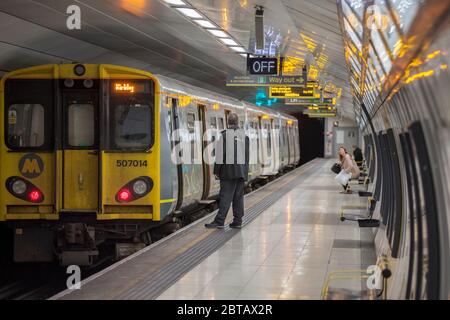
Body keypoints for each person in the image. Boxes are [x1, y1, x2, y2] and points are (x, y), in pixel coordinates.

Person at [205, 113, 250, 229]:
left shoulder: (224, 136)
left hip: (228, 172)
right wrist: (245, 172)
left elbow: (220, 156)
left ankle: (219, 221)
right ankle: (238, 220)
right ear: (237, 122)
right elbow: (247, 156)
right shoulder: (244, 136)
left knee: (226, 197)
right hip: (240, 172)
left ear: (227, 122)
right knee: (238, 197)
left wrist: (216, 172)